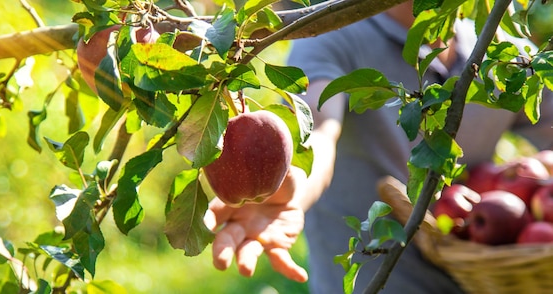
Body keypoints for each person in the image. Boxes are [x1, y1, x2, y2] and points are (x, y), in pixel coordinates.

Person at [205, 1, 553, 293]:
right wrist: (296, 190)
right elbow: (321, 129)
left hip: (483, 277)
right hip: (377, 282)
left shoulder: (503, 53)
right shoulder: (331, 34)